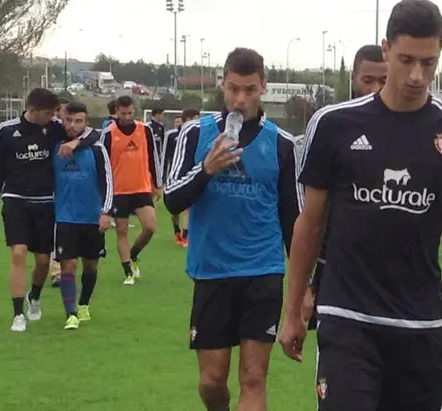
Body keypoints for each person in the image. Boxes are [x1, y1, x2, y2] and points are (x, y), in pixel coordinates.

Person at [279, 0, 442, 411]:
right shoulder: (334, 125)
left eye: (428, 62)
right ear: (386, 49)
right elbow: (310, 223)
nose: (416, 75)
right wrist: (293, 308)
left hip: (420, 322)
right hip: (347, 316)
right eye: (406, 60)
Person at [164, 47, 299, 411]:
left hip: (263, 272)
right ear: (222, 85)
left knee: (253, 380)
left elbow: (293, 221)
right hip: (212, 272)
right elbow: (172, 200)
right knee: (211, 383)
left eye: (250, 90)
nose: (240, 99)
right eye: (234, 89)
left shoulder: (282, 144)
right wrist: (206, 169)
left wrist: (303, 289)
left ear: (263, 87)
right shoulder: (195, 134)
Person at [0, 87, 98, 332]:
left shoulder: (54, 128)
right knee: (18, 253)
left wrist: (76, 141)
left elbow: (93, 134)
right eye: (49, 113)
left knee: (44, 260)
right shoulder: (6, 130)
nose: (54, 117)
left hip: (46, 202)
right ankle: (18, 314)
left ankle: (34, 295)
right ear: (33, 110)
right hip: (15, 200)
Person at [299, 44, 389, 330]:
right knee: (335, 349)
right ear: (353, 78)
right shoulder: (332, 124)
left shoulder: (410, 128)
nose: (375, 89)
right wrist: (306, 283)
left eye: (384, 80)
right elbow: (307, 212)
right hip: (336, 267)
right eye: (367, 80)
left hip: (395, 274)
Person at [52, 102, 114, 329]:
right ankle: (71, 314)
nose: (72, 125)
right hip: (65, 217)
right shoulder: (54, 146)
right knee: (68, 266)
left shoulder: (97, 149)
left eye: (78, 121)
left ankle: (84, 304)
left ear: (86, 123)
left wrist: (106, 212)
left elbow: (108, 182)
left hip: (92, 217)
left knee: (90, 266)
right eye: (68, 120)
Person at [101, 95, 162, 285]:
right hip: (118, 191)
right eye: (123, 113)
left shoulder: (145, 130)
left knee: (150, 227)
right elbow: (102, 163)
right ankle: (128, 271)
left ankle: (134, 254)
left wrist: (158, 183)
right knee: (122, 232)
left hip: (141, 188)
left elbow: (153, 156)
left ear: (134, 110)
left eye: (130, 113)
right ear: (116, 112)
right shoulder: (108, 133)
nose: (127, 116)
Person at [163, 109, 199, 247]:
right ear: (187, 120)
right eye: (195, 119)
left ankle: (185, 235)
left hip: (190, 175)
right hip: (174, 175)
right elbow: (165, 155)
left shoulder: (197, 134)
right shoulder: (172, 135)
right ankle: (176, 229)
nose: (197, 122)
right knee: (175, 211)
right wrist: (162, 176)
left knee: (189, 208)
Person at [49, 97, 71, 288]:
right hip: (51, 187)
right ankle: (57, 271)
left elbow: (92, 136)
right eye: (61, 111)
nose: (63, 116)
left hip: (72, 188)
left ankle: (65, 268)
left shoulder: (78, 134)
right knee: (56, 228)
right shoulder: (51, 131)